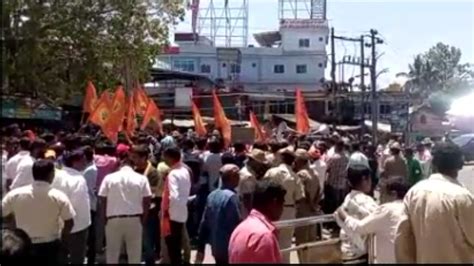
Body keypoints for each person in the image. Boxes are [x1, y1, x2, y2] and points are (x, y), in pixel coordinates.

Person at [395, 142, 474, 263]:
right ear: (460, 165)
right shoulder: (462, 197)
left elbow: (402, 240)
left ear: (433, 163)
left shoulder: (414, 192)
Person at [2, 159, 75, 265]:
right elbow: (69, 222)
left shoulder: (15, 194)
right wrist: (63, 241)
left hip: (21, 246)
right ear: (51, 175)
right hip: (49, 246)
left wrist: (13, 226)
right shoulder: (58, 196)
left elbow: (3, 213)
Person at [335, 176, 409, 263]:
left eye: (382, 194)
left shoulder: (387, 209)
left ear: (393, 194)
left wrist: (343, 215)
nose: (380, 198)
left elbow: (360, 228)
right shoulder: (409, 208)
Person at [98, 147, 152, 264]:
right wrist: (143, 219)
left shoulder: (109, 178)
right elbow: (147, 200)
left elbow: (102, 198)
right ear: (133, 166)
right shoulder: (142, 178)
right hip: (135, 218)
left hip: (113, 219)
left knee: (112, 254)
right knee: (134, 254)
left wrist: (104, 218)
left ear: (120, 166)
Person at [228, 179, 285, 263]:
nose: (283, 209)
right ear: (274, 202)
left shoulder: (239, 229)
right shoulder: (264, 236)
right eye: (282, 203)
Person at [263, 147, 304, 263]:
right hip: (289, 211)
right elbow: (299, 197)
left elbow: (263, 190)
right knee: (286, 245)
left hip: (271, 210)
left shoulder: (271, 172)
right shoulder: (295, 177)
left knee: (270, 241)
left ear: (282, 158)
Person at [195, 164, 242, 264]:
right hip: (229, 248)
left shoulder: (212, 195)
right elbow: (236, 225)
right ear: (233, 177)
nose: (239, 178)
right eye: (238, 176)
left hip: (216, 248)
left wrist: (200, 248)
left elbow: (204, 223)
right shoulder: (231, 197)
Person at [52, 149, 91, 264]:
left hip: (58, 224)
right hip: (77, 225)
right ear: (75, 162)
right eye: (83, 160)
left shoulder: (56, 175)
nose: (86, 162)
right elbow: (78, 203)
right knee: (77, 257)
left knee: (61, 256)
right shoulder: (78, 179)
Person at [335, 164, 378, 264]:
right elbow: (378, 221)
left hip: (346, 250)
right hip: (360, 254)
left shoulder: (348, 197)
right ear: (364, 179)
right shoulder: (366, 201)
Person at [129, 144, 160, 265]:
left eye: (136, 157)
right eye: (132, 157)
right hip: (134, 209)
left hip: (149, 210)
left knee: (148, 239)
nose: (134, 160)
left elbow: (151, 193)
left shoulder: (153, 173)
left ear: (144, 157)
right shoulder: (134, 170)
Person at [161, 146, 192, 265]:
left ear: (170, 158)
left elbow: (174, 196)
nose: (164, 159)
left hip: (172, 216)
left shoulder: (173, 174)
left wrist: (168, 212)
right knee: (177, 246)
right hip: (182, 212)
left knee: (173, 249)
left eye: (165, 157)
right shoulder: (185, 171)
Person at [293, 149, 321, 263]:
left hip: (304, 210)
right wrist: (315, 204)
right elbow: (319, 190)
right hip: (313, 210)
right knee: (311, 241)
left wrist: (310, 204)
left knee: (301, 241)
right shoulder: (314, 172)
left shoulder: (301, 174)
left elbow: (304, 193)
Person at [238, 148, 269, 218]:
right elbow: (247, 199)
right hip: (246, 213)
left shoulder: (245, 171)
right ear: (253, 161)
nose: (260, 165)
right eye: (259, 163)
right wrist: (252, 216)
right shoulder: (248, 176)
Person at [324, 140, 349, 215]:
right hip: (343, 183)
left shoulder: (333, 158)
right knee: (341, 203)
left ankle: (333, 220)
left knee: (333, 204)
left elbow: (327, 169)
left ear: (336, 146)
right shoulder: (347, 158)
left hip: (333, 184)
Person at [82, 146, 98, 265]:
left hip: (90, 205)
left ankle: (91, 257)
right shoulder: (90, 169)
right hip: (90, 204)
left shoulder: (90, 171)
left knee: (90, 234)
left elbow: (88, 190)